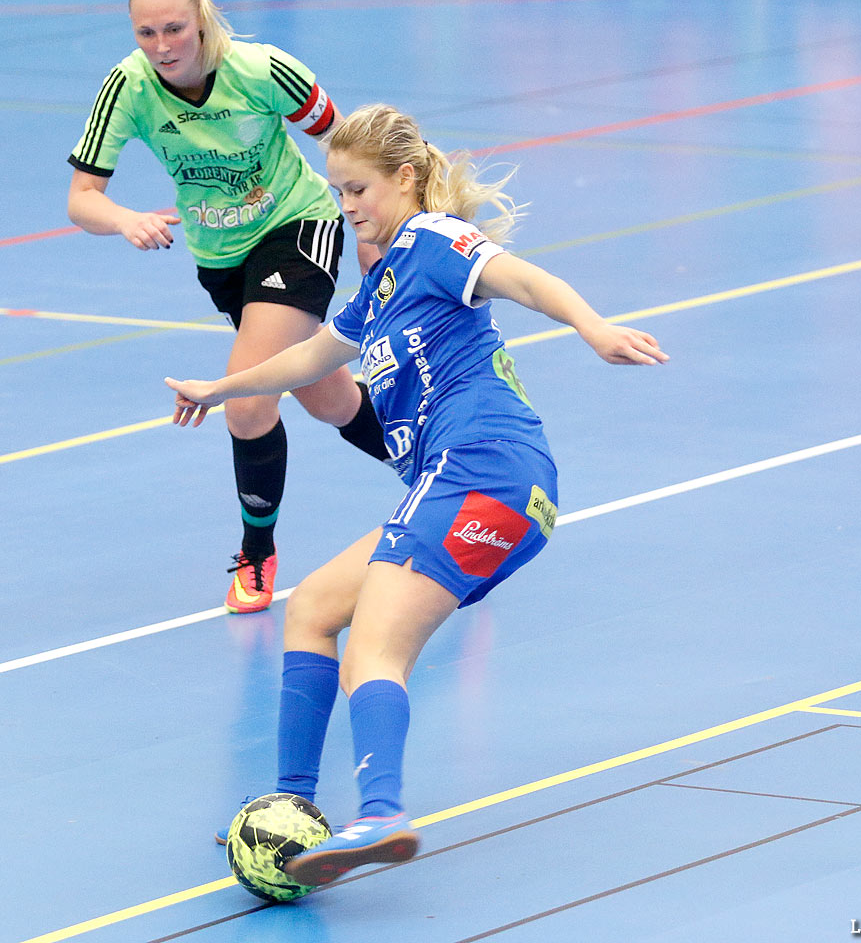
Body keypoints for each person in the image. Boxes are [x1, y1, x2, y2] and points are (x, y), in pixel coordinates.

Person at [166, 104, 669, 886]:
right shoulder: (381, 291)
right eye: (337, 192)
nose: (348, 206)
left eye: (359, 188)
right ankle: (292, 805)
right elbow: (303, 363)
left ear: (404, 178)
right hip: (468, 487)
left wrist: (592, 327)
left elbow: (525, 278)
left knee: (376, 643)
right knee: (313, 608)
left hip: (483, 473)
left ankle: (382, 812)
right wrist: (220, 385)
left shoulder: (435, 242)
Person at [66, 0, 390, 615]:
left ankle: (257, 553)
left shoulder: (263, 70)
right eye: (147, 32)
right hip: (220, 258)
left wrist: (370, 231)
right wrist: (123, 218)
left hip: (298, 229)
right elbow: (81, 199)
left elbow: (351, 148)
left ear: (203, 19)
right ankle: (444, 473)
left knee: (246, 402)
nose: (162, 46)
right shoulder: (127, 87)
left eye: (175, 29)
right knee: (325, 398)